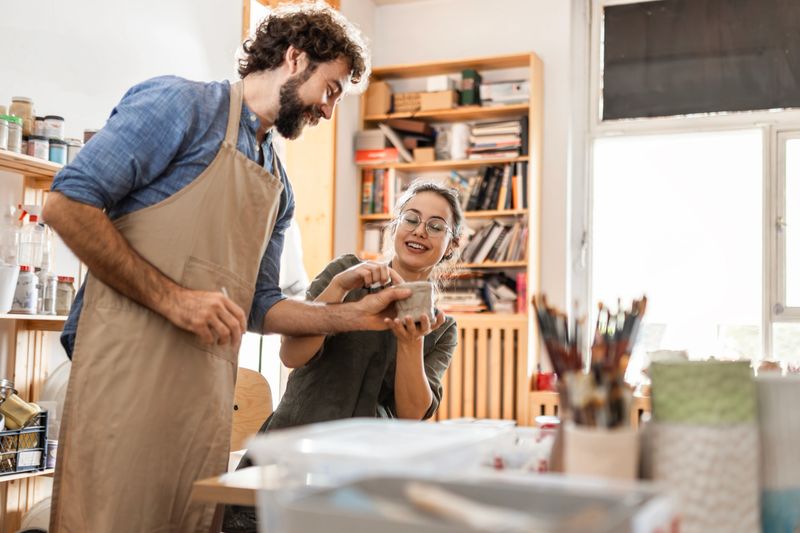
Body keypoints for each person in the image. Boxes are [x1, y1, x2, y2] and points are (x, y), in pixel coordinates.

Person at [42, 4, 409, 532]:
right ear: (295, 57)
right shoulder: (182, 105)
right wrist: (175, 300)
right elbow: (67, 204)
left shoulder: (277, 181)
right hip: (124, 372)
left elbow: (259, 304)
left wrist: (356, 315)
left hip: (205, 395)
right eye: (331, 89)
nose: (330, 111)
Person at [223, 180, 464, 533]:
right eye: (411, 219)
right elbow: (291, 355)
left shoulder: (442, 328)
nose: (420, 232)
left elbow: (411, 414)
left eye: (436, 226)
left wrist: (410, 344)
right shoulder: (346, 274)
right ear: (394, 226)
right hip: (287, 461)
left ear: (451, 245)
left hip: (363, 478)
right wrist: (336, 291)